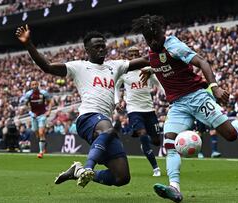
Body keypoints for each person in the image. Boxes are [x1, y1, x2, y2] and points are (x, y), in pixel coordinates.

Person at [132, 15, 238, 202]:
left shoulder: (174, 46)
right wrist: (152, 69)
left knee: (230, 135)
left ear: (163, 32)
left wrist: (214, 86)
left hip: (197, 97)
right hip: (177, 105)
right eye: (148, 38)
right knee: (169, 143)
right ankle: (174, 188)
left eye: (156, 36)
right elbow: (158, 60)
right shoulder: (152, 51)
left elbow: (202, 62)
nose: (153, 41)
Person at [16, 25, 148, 188]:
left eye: (103, 46)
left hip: (104, 124)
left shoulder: (115, 66)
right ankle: (87, 167)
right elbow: (48, 67)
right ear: (87, 50)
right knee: (107, 129)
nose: (101, 49)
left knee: (122, 177)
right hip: (88, 118)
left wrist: (160, 47)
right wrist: (28, 43)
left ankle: (77, 171)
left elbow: (145, 60)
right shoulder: (78, 67)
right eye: (96, 47)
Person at [115, 46, 163, 176]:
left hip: (149, 110)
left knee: (156, 141)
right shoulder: (124, 73)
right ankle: (155, 168)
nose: (134, 56)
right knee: (142, 134)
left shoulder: (146, 70)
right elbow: (115, 87)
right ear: (128, 57)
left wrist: (166, 95)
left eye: (136, 54)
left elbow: (159, 83)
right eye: (131, 55)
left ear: (139, 54)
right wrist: (116, 102)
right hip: (134, 110)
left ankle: (145, 142)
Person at [21, 80, 53, 158]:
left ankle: (41, 152)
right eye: (33, 84)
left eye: (36, 84)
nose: (34, 86)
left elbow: (50, 101)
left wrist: (49, 111)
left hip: (42, 115)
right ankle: (43, 142)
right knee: (36, 133)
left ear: (38, 85)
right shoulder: (28, 94)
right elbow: (25, 105)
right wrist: (30, 113)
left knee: (41, 132)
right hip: (33, 116)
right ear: (31, 86)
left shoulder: (43, 93)